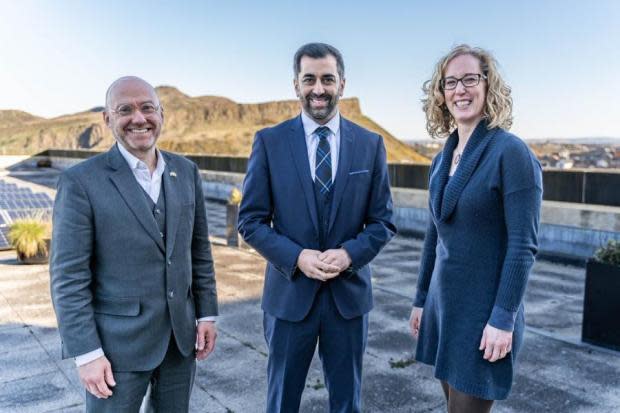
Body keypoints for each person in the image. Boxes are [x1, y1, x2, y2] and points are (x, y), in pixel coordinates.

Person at [238, 43, 396, 412]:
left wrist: (348, 255)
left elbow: (383, 221)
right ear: (296, 85)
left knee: (347, 403)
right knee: (281, 402)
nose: (319, 89)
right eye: (309, 79)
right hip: (289, 298)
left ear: (342, 83)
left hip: (348, 300)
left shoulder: (370, 145)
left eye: (327, 79)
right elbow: (251, 221)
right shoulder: (270, 142)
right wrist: (298, 257)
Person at [50, 76, 218, 412]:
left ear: (161, 114)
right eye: (124, 110)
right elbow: (68, 277)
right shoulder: (81, 182)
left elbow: (199, 251)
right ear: (108, 119)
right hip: (115, 351)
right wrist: (87, 353)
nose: (138, 118)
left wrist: (207, 314)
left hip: (179, 343)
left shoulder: (186, 172)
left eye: (147, 108)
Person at [408, 44, 542, 412]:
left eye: (470, 79)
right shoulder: (441, 159)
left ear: (489, 86)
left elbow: (523, 245)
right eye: (450, 82)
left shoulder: (510, 153)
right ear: (441, 93)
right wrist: (421, 299)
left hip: (483, 317)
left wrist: (503, 318)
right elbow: (434, 236)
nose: (460, 89)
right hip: (444, 311)